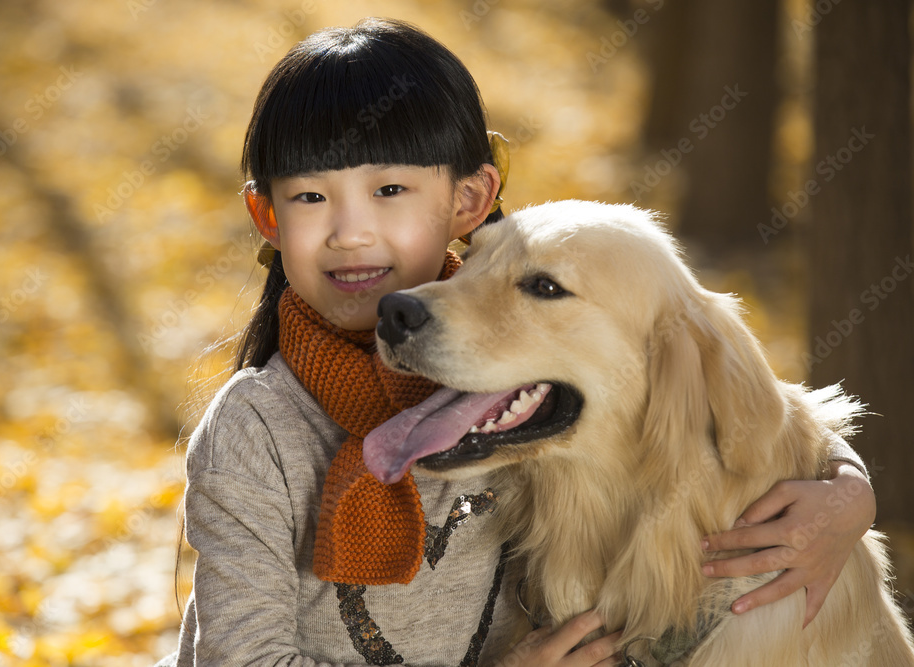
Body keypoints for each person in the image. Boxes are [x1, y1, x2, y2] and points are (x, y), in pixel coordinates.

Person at [155, 17, 875, 667]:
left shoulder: (512, 391)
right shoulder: (254, 429)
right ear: (267, 214)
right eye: (311, 196)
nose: (352, 232)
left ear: (469, 201)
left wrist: (848, 493)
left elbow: (759, 406)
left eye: (392, 190)